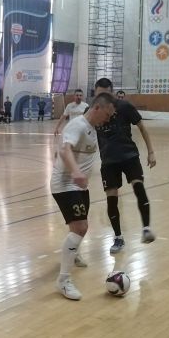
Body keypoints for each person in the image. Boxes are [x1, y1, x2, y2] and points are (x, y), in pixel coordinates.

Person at [50, 90, 116, 300]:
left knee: (78, 228)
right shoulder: (77, 125)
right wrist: (76, 172)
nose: (108, 119)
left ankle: (73, 252)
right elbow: (65, 150)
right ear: (97, 108)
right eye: (107, 114)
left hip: (79, 186)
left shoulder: (92, 129)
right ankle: (63, 281)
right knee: (81, 227)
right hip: (65, 184)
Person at [93, 78, 156, 255]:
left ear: (112, 92)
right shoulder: (92, 111)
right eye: (99, 94)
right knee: (112, 199)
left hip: (129, 156)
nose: (103, 98)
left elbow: (142, 127)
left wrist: (151, 152)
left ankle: (146, 228)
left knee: (138, 186)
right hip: (108, 161)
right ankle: (118, 237)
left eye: (106, 93)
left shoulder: (124, 107)